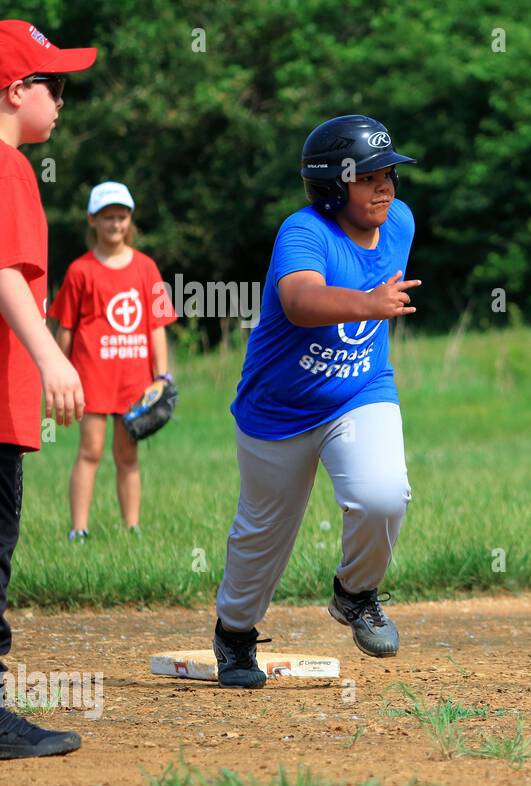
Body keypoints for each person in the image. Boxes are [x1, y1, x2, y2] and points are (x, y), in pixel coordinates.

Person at [212, 114, 421, 689]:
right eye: (370, 175)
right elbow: (301, 301)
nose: (386, 186)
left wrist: (371, 308)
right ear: (332, 184)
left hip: (360, 391)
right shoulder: (302, 232)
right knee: (261, 537)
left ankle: (356, 594)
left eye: (390, 173)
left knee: (382, 494)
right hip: (276, 411)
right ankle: (234, 634)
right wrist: (367, 303)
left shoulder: (398, 220)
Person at [0, 19, 96, 758]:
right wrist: (53, 359)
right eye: (53, 85)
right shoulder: (9, 169)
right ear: (13, 88)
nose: (61, 101)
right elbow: (5, 273)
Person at [51, 181, 177, 540]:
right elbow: (66, 330)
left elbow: (156, 327)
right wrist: (59, 373)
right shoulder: (80, 271)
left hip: (134, 380)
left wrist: (162, 376)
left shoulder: (146, 268)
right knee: (89, 451)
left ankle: (132, 527)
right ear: (92, 220)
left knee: (127, 455)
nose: (115, 225)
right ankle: (79, 529)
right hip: (91, 375)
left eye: (121, 218)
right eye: (107, 218)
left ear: (130, 220)